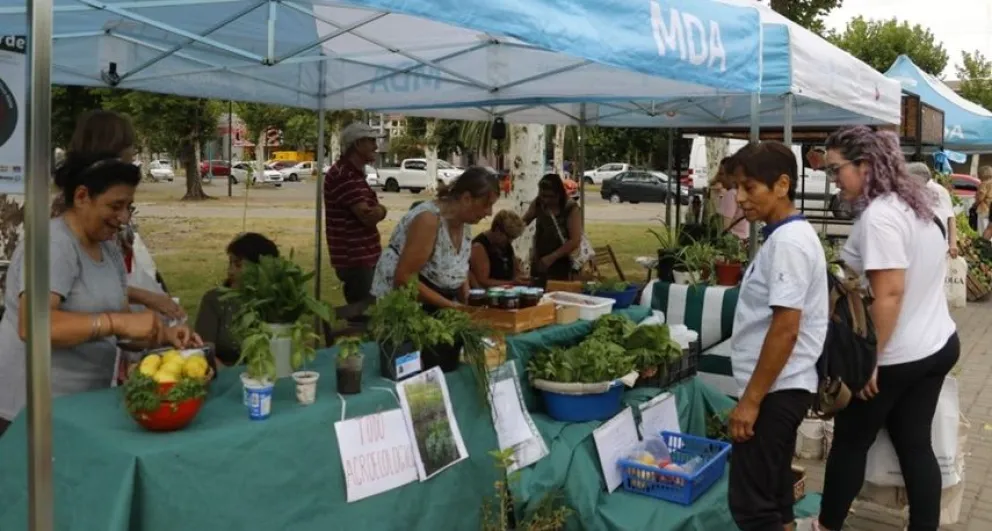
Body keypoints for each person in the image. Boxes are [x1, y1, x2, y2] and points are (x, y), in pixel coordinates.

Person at [815, 127, 959, 531]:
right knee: (915, 445)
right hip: (937, 344)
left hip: (897, 357)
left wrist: (868, 364)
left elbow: (890, 293)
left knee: (851, 442)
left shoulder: (881, 216)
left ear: (864, 166)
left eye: (836, 169)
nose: (833, 179)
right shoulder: (915, 202)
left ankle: (826, 525)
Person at [0, 154, 202, 438]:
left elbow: (123, 327)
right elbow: (31, 325)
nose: (124, 218)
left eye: (129, 207)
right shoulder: (54, 245)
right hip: (28, 410)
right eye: (115, 205)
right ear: (82, 196)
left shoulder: (108, 250)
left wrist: (163, 337)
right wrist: (115, 322)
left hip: (78, 406)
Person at [723, 143, 829, 531]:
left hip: (775, 391)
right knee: (776, 500)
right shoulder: (784, 236)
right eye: (737, 188)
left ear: (782, 185)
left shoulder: (789, 243)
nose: (740, 198)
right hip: (779, 388)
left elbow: (786, 329)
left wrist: (750, 402)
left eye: (749, 188)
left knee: (752, 507)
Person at [371, 167, 499, 312]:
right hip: (406, 309)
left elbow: (458, 269)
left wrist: (467, 304)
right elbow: (404, 278)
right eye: (486, 205)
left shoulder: (464, 223)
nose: (489, 212)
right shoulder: (428, 221)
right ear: (466, 199)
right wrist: (453, 306)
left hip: (438, 307)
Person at [324, 122, 387, 306]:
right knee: (364, 317)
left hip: (364, 255)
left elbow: (371, 210)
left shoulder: (355, 174)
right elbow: (368, 217)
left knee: (371, 313)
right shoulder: (344, 175)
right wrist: (383, 210)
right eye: (371, 141)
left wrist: (378, 210)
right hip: (355, 259)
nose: (376, 147)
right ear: (357, 144)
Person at [195, 233, 279, 367]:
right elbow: (205, 350)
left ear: (261, 268)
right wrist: (230, 375)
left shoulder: (278, 301)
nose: (230, 271)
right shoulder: (215, 300)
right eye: (230, 263)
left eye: (238, 265)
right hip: (225, 375)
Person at [523, 173, 583, 287]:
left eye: (550, 196)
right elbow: (524, 221)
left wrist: (552, 257)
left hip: (562, 263)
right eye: (543, 195)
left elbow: (575, 240)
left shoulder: (570, 208)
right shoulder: (538, 203)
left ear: (559, 194)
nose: (546, 200)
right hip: (540, 260)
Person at [906, 162, 959, 258]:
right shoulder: (916, 190)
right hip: (922, 243)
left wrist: (953, 243)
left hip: (937, 242)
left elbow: (950, 217)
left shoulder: (940, 191)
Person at [470, 210, 528, 288]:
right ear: (498, 230)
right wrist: (512, 283)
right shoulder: (479, 247)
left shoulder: (505, 245)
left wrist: (520, 277)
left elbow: (515, 271)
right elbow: (483, 281)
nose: (510, 241)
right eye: (509, 237)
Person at [975, 165, 992, 236]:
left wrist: (976, 204)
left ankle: (983, 245)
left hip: (984, 208)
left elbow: (980, 197)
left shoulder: (984, 184)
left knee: (983, 229)